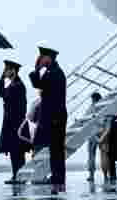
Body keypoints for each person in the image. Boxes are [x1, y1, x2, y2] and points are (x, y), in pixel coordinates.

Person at [29, 45, 67, 188]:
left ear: (49, 58)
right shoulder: (51, 71)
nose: (41, 59)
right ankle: (57, 177)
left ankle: (58, 178)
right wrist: (37, 68)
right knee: (54, 150)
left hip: (56, 117)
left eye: (43, 57)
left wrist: (38, 69)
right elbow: (37, 83)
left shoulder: (56, 73)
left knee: (57, 150)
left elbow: (39, 83)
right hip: (51, 116)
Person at [0, 59, 28, 184]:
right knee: (15, 152)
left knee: (18, 152)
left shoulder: (18, 85)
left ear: (13, 71)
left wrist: (4, 78)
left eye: (6, 70)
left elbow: (3, 94)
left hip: (16, 123)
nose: (4, 72)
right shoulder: (13, 84)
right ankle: (17, 175)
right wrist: (3, 77)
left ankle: (19, 176)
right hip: (12, 122)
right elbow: (0, 93)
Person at [85, 92, 103, 183]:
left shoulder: (95, 107)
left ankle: (92, 175)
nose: (92, 101)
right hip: (96, 132)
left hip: (94, 132)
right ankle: (92, 175)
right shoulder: (97, 106)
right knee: (93, 155)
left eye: (93, 99)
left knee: (92, 154)